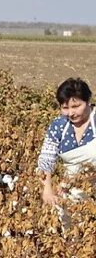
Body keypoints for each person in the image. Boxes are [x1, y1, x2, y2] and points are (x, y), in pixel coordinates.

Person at [37, 78, 95, 206]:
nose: (71, 113)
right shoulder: (59, 126)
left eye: (76, 106)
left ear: (88, 101)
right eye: (65, 108)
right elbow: (47, 159)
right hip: (70, 191)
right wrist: (47, 190)